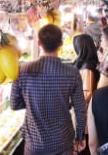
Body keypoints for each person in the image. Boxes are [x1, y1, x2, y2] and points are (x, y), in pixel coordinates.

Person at [10, 24, 87, 155]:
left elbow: (14, 104)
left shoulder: (22, 70)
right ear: (61, 44)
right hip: (63, 141)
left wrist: (32, 101)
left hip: (34, 143)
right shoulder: (72, 73)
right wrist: (80, 136)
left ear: (39, 43)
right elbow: (80, 109)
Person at [73, 34, 100, 155]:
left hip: (85, 119)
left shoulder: (86, 68)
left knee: (84, 148)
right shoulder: (90, 64)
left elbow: (86, 94)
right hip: (87, 115)